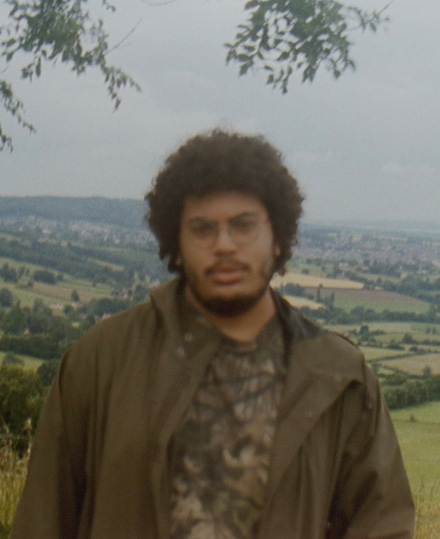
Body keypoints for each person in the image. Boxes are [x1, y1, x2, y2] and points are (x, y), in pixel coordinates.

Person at [12, 129, 415, 538]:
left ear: (278, 238)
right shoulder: (100, 361)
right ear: (177, 242)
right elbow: (43, 520)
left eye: (244, 226)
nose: (224, 245)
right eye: (202, 229)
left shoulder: (338, 378)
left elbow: (381, 524)